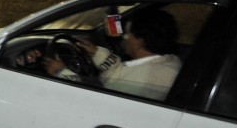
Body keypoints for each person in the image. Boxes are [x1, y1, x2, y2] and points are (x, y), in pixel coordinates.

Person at [32, 9, 182, 101]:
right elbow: (120, 75)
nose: (125, 37)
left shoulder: (142, 79)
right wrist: (98, 54)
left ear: (139, 42)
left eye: (129, 33)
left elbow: (96, 99)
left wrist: (62, 72)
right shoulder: (171, 63)